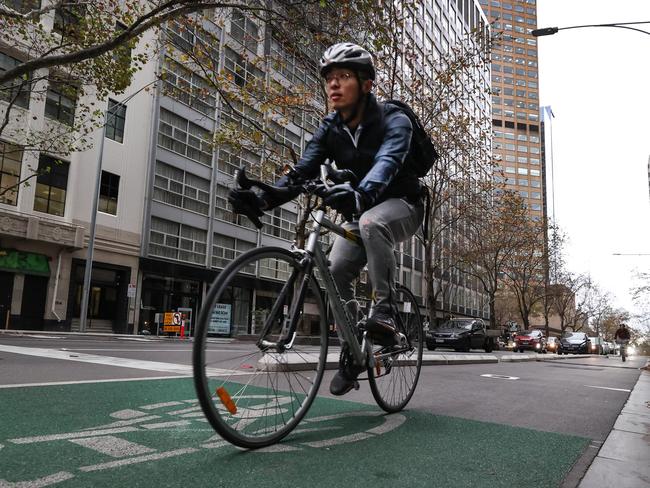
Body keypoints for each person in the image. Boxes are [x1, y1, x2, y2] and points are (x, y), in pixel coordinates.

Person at [228, 42, 425, 396]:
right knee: (334, 270)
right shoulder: (330, 128)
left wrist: (361, 194)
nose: (333, 85)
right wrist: (265, 197)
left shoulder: (395, 119)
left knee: (371, 224)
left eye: (344, 76)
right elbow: (301, 172)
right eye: (329, 78)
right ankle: (354, 350)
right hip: (360, 206)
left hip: (402, 204)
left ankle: (386, 312)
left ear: (366, 85)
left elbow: (388, 162)